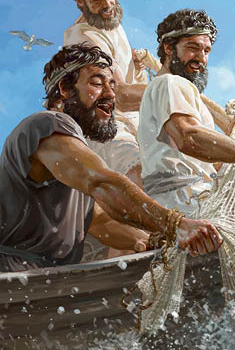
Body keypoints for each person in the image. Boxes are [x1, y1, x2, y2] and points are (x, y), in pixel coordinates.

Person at [0, 44, 222, 272]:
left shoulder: (75, 152)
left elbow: (99, 222)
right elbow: (103, 183)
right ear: (65, 89)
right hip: (14, 275)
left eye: (112, 85)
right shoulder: (48, 125)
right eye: (96, 83)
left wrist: (150, 240)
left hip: (44, 277)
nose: (109, 95)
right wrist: (176, 225)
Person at [138, 9, 235, 212]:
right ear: (168, 48)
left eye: (206, 51)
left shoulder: (176, 89)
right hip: (186, 204)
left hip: (189, 199)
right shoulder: (169, 82)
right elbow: (190, 138)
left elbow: (198, 163)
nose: (201, 58)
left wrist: (234, 143)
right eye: (193, 48)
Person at [62, 0, 148, 186]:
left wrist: (138, 69)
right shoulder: (81, 37)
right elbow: (121, 95)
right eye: (96, 1)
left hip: (135, 121)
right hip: (105, 127)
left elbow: (127, 74)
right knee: (139, 174)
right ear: (80, 2)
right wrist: (172, 91)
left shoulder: (109, 21)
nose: (108, 4)